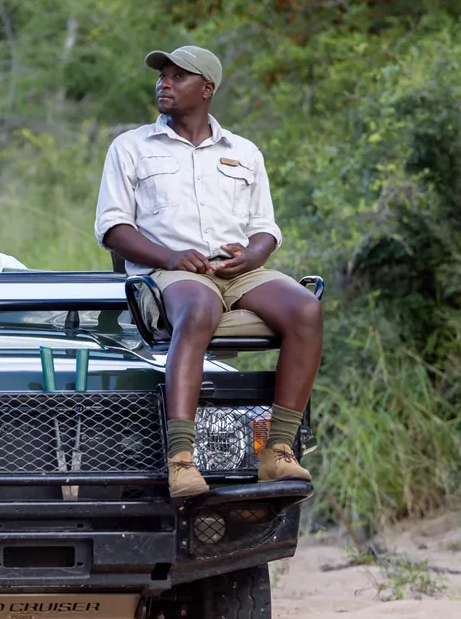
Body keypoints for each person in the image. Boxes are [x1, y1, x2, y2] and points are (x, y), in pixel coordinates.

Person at [94, 45, 322, 499]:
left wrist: (254, 256)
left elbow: (265, 229)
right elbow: (113, 228)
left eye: (178, 77)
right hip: (169, 272)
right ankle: (181, 458)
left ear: (207, 88)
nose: (164, 83)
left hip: (237, 270)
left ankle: (278, 452)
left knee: (306, 308)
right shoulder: (132, 147)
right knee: (199, 306)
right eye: (162, 76)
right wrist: (170, 256)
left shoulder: (244, 151)